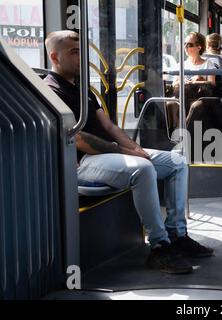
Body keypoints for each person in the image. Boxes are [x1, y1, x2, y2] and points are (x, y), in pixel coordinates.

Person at [44, 30, 213, 275]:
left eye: (82, 51)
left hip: (110, 156)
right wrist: (126, 152)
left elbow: (109, 126)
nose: (81, 57)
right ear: (55, 57)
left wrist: (135, 148)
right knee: (142, 169)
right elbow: (77, 138)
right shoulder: (51, 90)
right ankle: (159, 246)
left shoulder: (84, 90)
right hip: (83, 162)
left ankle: (177, 235)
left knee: (176, 162)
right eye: (74, 52)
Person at [168, 32, 216, 130]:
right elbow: (174, 84)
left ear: (199, 47)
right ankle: (175, 129)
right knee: (170, 103)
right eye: (185, 44)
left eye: (189, 45)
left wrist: (197, 81)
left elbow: (212, 83)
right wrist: (182, 83)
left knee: (195, 106)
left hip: (200, 97)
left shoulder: (208, 64)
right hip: (183, 95)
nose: (186, 47)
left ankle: (183, 131)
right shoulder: (181, 64)